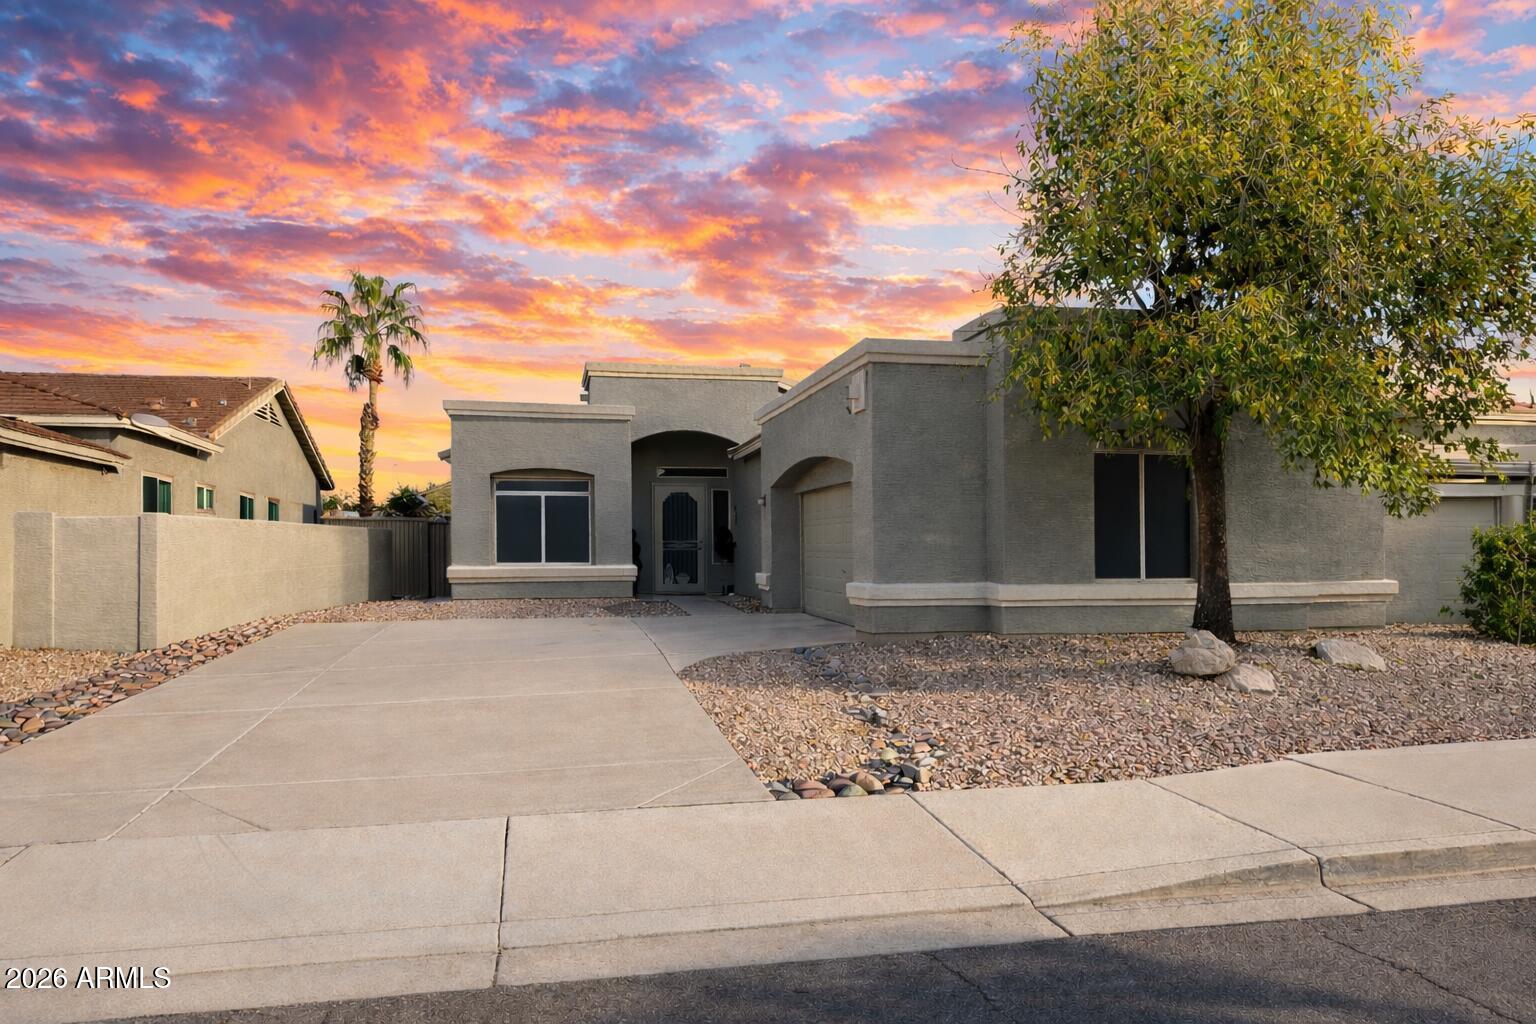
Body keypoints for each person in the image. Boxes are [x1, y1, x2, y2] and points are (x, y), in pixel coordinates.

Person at [631, 529, 642, 598]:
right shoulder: (637, 545)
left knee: (635, 579)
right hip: (637, 563)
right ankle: (635, 593)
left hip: (635, 563)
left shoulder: (631, 546)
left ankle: (634, 593)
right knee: (636, 579)